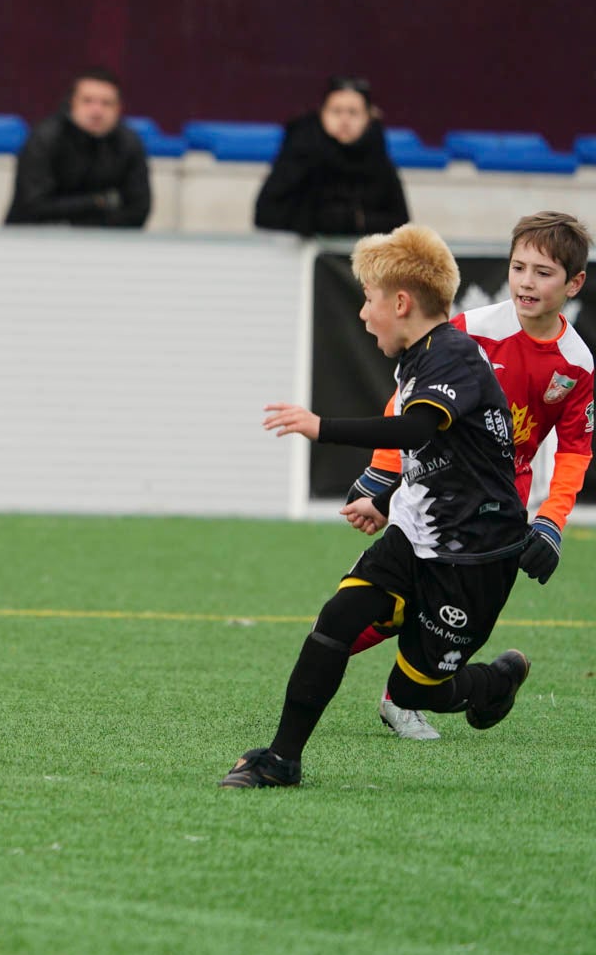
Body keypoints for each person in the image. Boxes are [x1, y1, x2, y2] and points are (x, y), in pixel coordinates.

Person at [223, 224, 531, 789]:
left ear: (402, 302)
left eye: (368, 300)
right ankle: (282, 760)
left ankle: (494, 683)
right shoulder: (420, 357)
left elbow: (415, 426)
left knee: (419, 691)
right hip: (417, 535)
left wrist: (321, 427)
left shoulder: (454, 354)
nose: (364, 314)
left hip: (474, 556)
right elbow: (443, 451)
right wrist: (386, 498)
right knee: (337, 618)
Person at [344, 211, 591, 741]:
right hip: (432, 488)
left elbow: (574, 451)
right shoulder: (469, 330)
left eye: (543, 272)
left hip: (499, 511)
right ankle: (343, 659)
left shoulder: (578, 365)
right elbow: (407, 403)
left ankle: (413, 694)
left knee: (450, 617)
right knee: (365, 612)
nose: (526, 281)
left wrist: (550, 521)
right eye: (518, 267)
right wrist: (380, 479)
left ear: (575, 283)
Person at [255, 75, 410, 237]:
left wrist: (356, 221)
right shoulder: (300, 155)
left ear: (368, 118)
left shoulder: (379, 161)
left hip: (364, 257)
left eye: (353, 112)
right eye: (336, 111)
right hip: (302, 256)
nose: (344, 120)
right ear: (321, 114)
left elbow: (401, 225)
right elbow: (266, 214)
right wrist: (313, 220)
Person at [5, 66, 150, 227]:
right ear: (72, 103)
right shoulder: (45, 138)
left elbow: (139, 210)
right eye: (87, 101)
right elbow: (33, 206)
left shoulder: (129, 143)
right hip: (32, 241)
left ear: (118, 109)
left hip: (105, 243)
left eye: (106, 103)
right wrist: (101, 201)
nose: (97, 111)